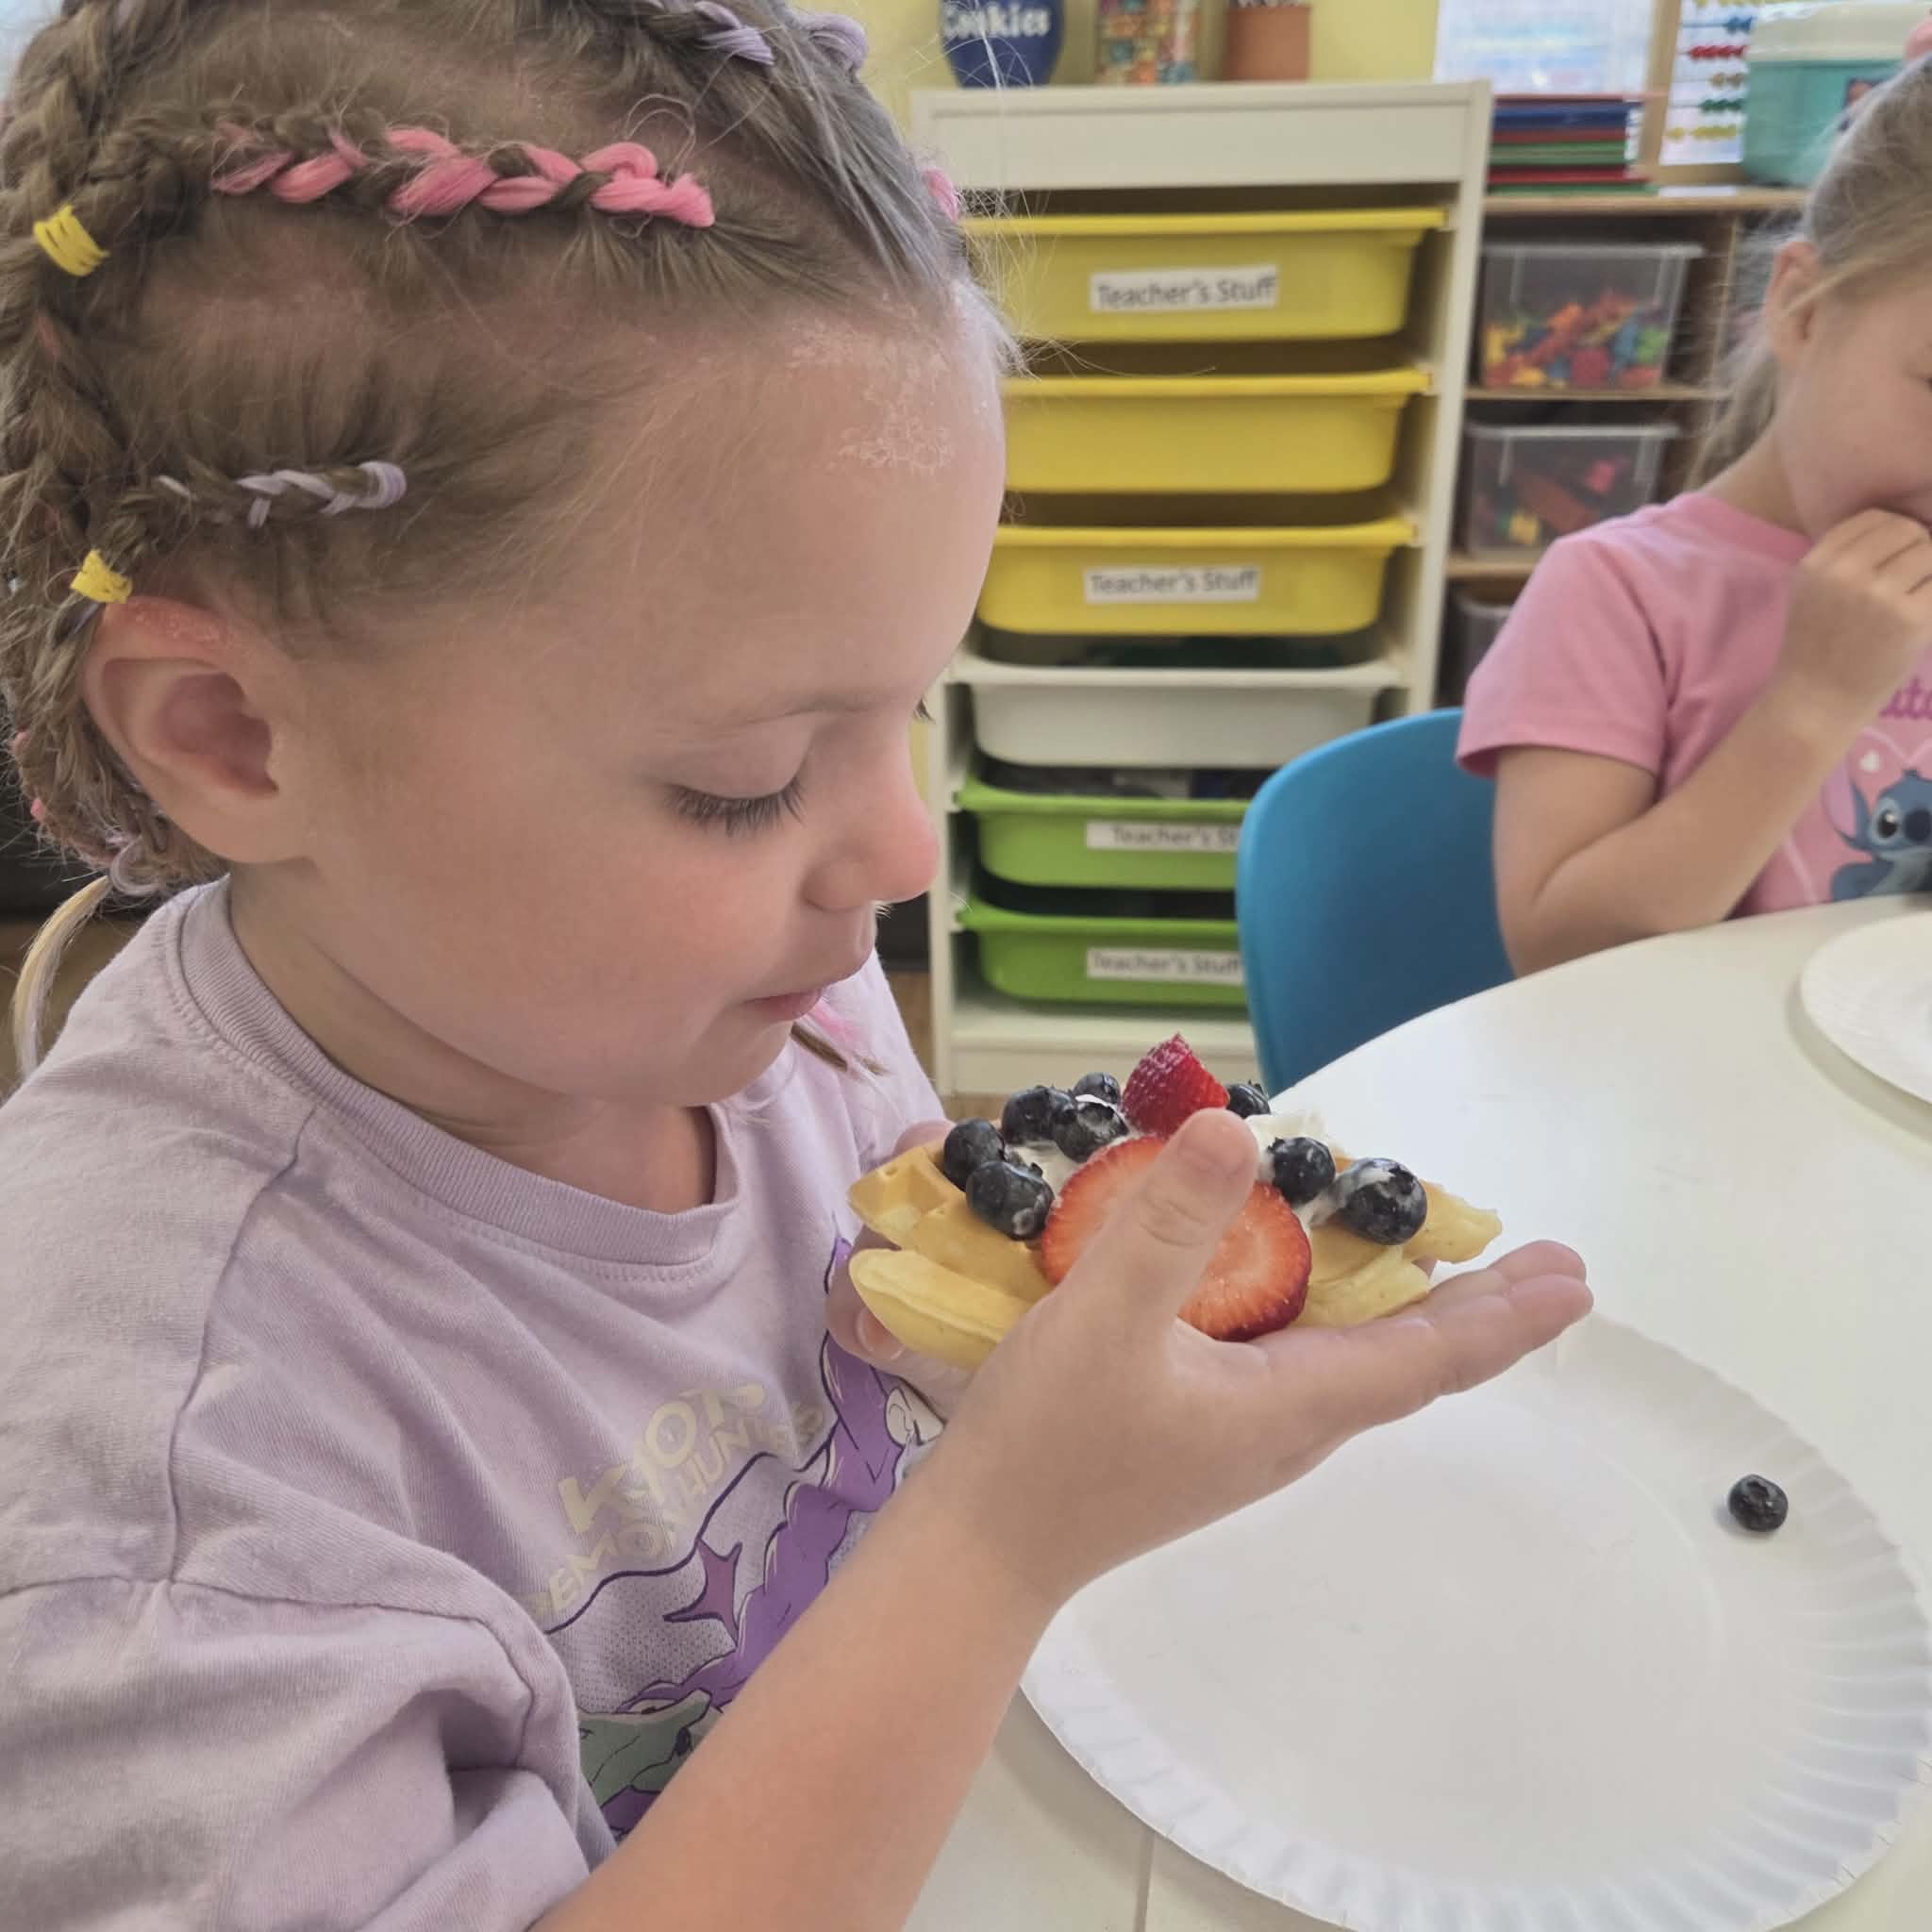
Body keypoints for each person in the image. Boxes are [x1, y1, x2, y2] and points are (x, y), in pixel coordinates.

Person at [0, 3, 1591, 1924]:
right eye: (743, 779)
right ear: (235, 737)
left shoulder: (741, 995)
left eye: (904, 709)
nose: (905, 853)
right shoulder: (146, 1494)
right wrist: (1001, 1541)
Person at [1459, 59, 1932, 975]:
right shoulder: (1617, 593)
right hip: (1660, 1063)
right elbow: (1559, 955)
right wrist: (1813, 701)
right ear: (1801, 309)